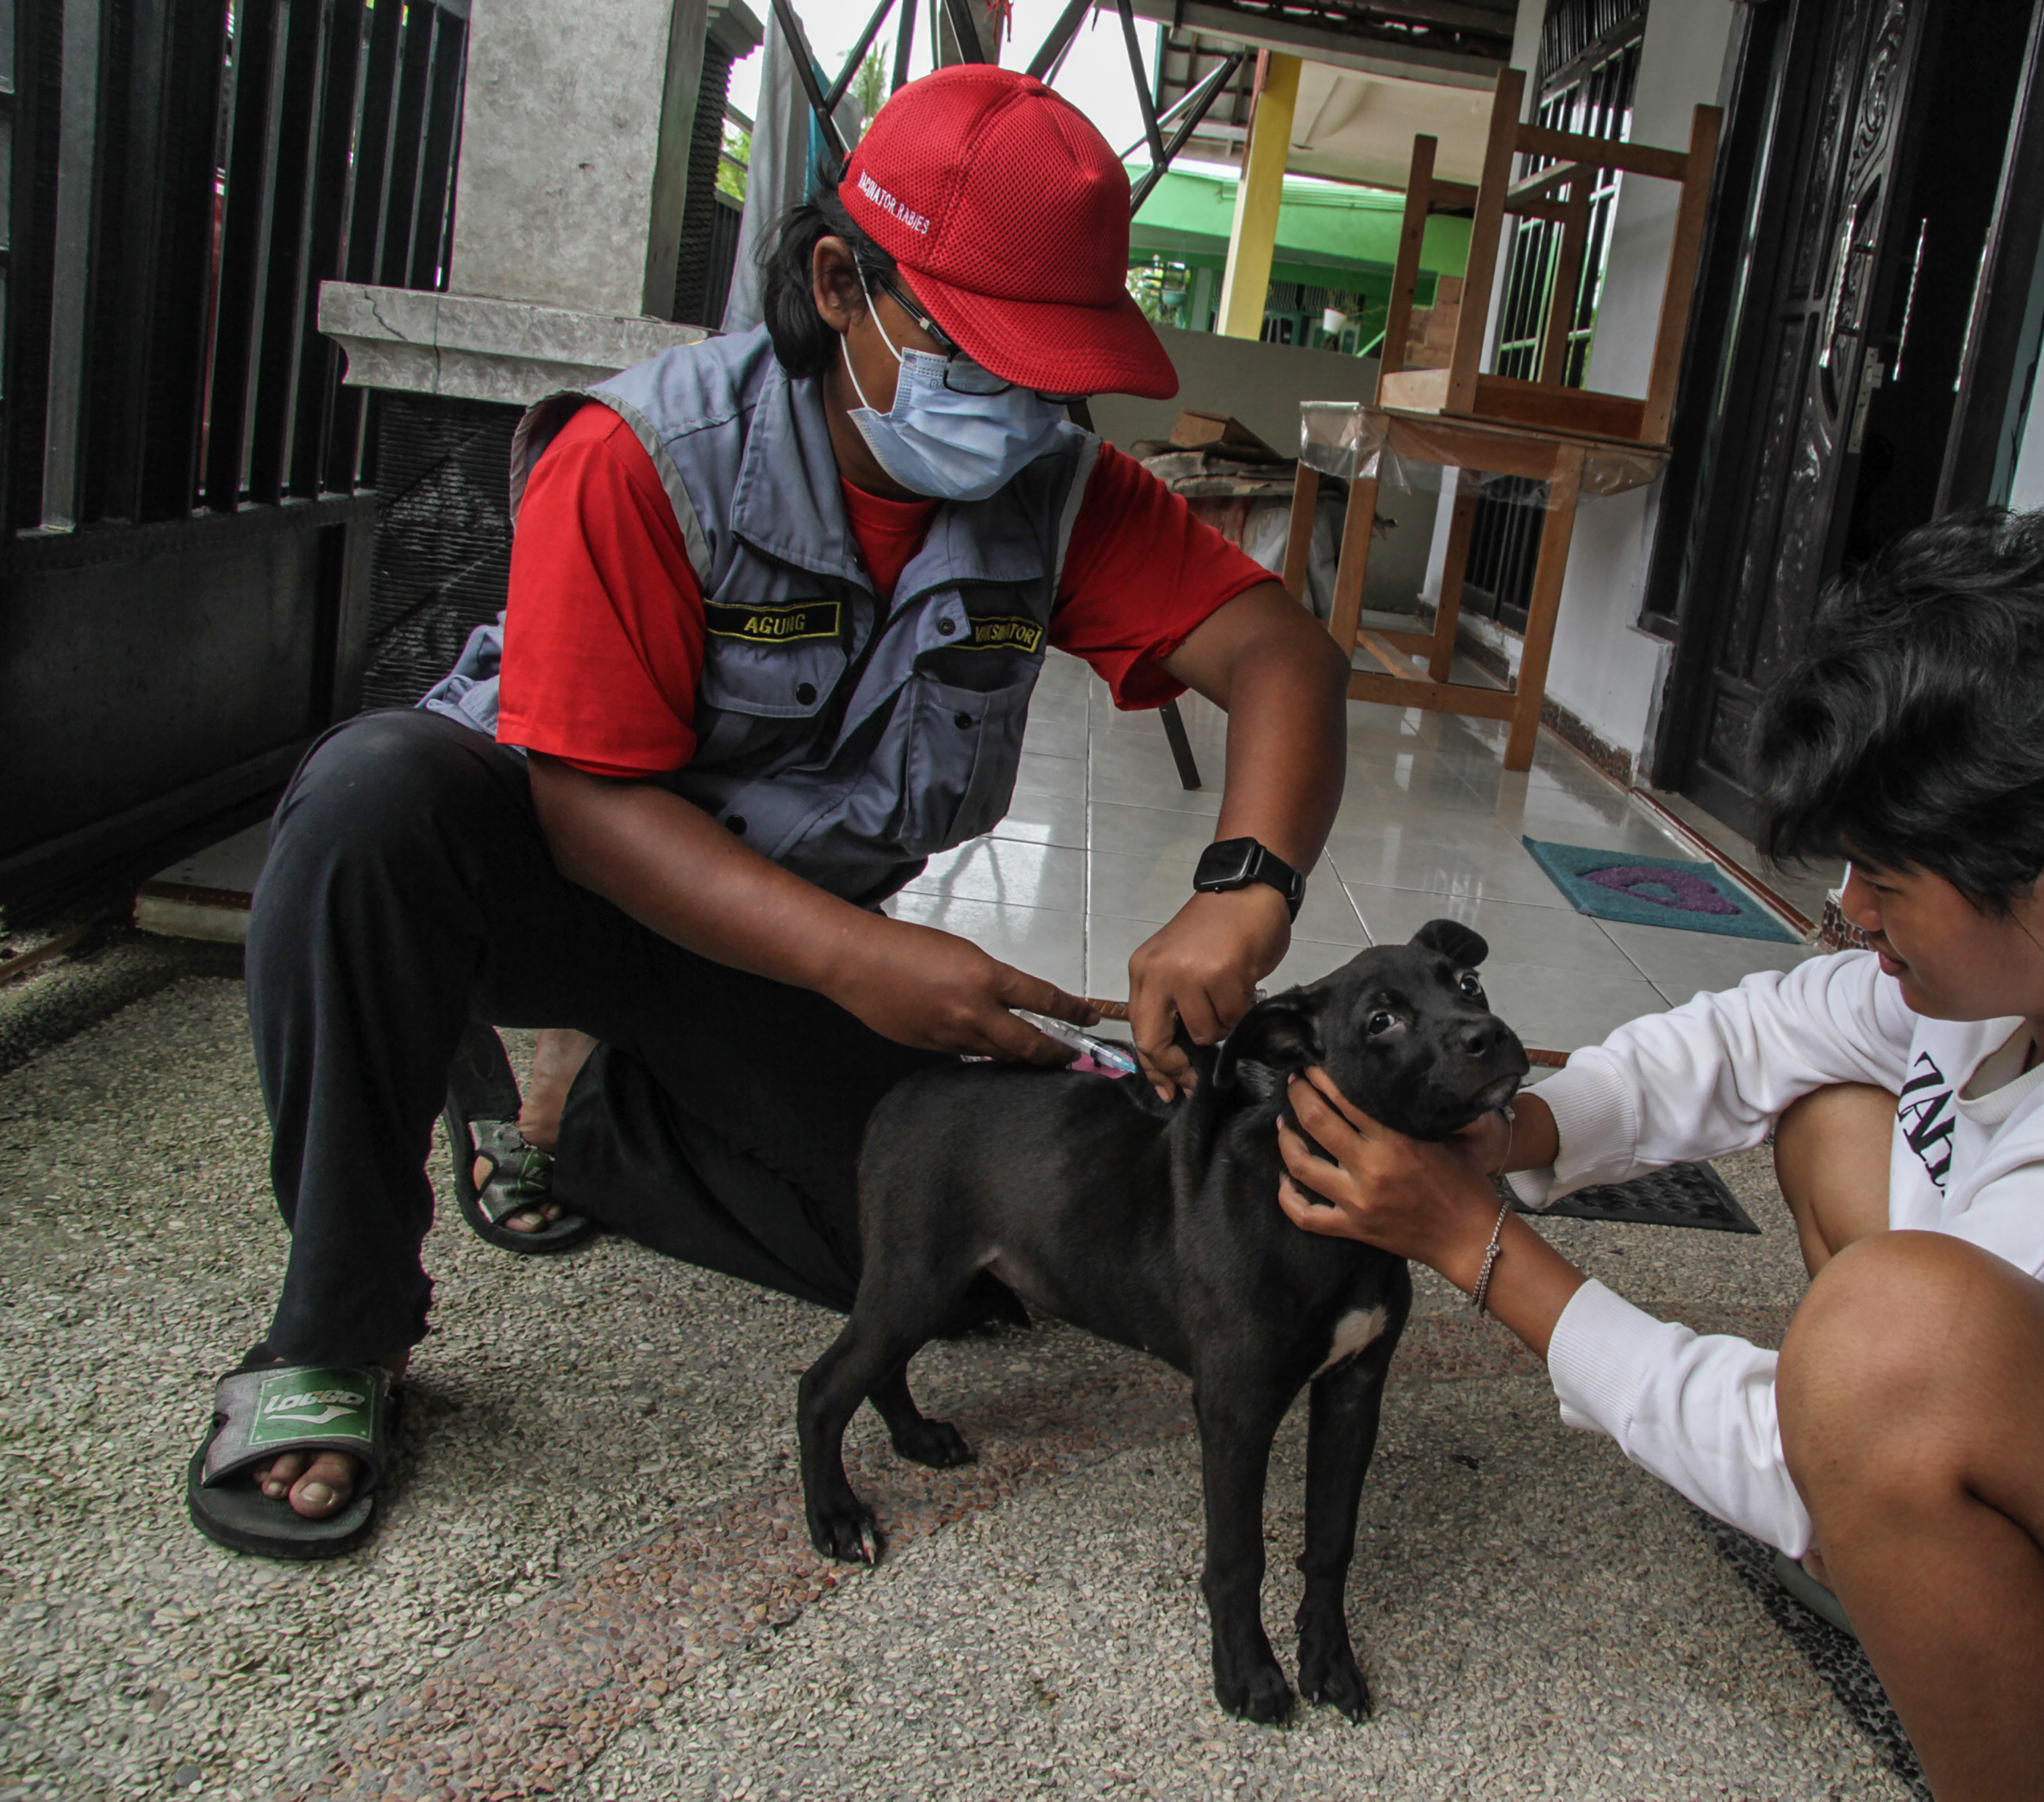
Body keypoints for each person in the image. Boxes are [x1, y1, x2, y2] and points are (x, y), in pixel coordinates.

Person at [188, 65, 1350, 1559]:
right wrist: (862, 963)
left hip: (758, 941)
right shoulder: (647, 458)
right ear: (840, 285)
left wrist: (1243, 893)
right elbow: (586, 808)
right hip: (541, 881)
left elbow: (1282, 655)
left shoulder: (1058, 497)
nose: (1016, 408)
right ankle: (334, 1327)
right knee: (369, 801)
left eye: (1050, 374)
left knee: (970, 1262)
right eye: (976, 352)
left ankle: (594, 1120)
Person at [1276, 506, 2044, 1802]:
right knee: (1835, 1109)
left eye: (1885, 878)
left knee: (1889, 1346)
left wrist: (1476, 1242)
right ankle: (1914, 1542)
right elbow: (1766, 1030)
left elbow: (1794, 1434)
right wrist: (1521, 1130)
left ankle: (1930, 1581)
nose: (1853, 912)